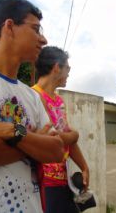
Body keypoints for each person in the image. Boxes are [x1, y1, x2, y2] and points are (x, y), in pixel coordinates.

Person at [0, 0, 65, 213]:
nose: (43, 39)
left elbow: (56, 150)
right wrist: (34, 145)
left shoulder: (31, 96)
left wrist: (11, 131)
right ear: (9, 27)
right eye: (36, 29)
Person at [33, 46, 90, 213]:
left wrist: (84, 166)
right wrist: (74, 135)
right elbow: (53, 139)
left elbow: (66, 138)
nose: (69, 73)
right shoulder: (34, 96)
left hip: (63, 180)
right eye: (68, 68)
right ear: (56, 67)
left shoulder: (58, 101)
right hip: (44, 181)